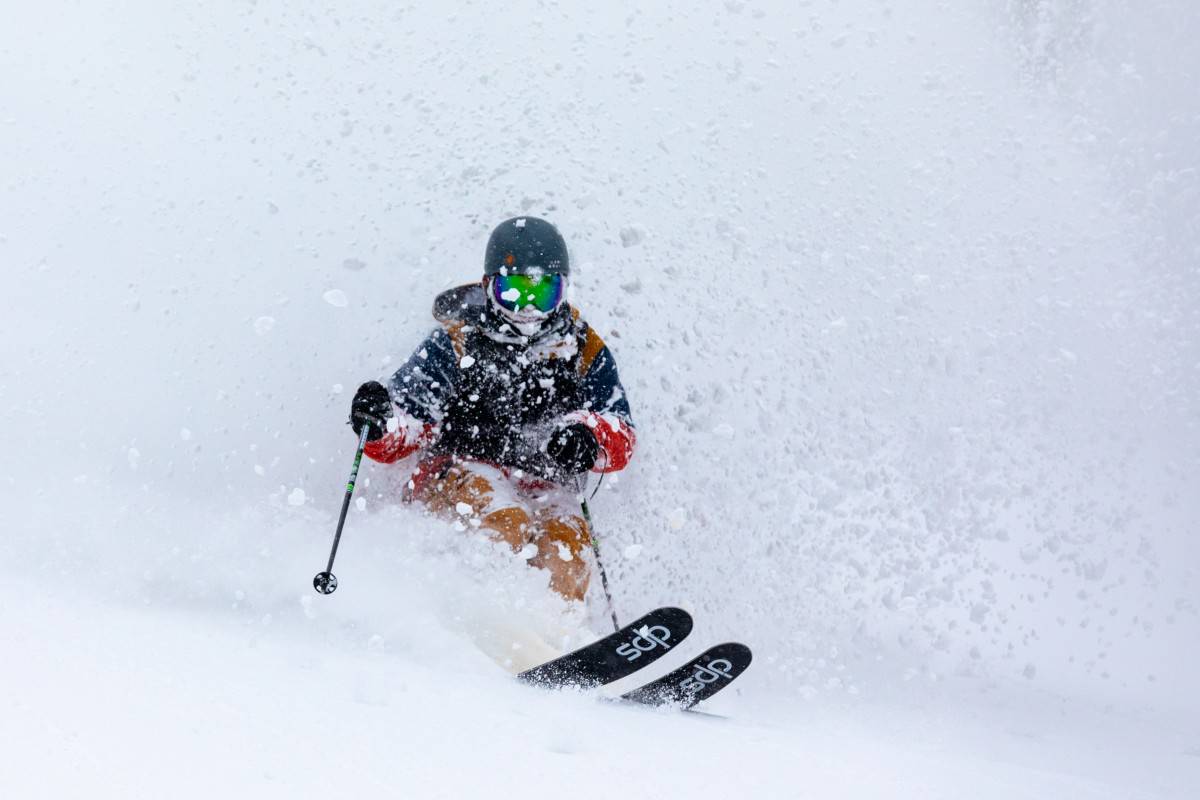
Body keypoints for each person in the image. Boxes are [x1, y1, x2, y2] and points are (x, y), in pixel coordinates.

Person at [348, 216, 636, 603]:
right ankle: (479, 614)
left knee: (568, 545)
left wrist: (588, 435)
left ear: (563, 291)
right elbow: (408, 421)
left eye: (544, 293)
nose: (529, 310)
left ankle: (551, 638)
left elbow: (619, 428)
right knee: (507, 521)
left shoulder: (580, 348)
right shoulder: (458, 343)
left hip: (543, 483)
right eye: (514, 293)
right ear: (489, 287)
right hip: (456, 472)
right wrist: (380, 421)